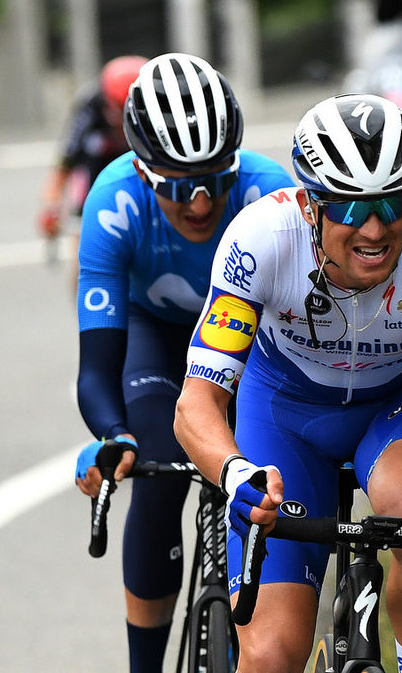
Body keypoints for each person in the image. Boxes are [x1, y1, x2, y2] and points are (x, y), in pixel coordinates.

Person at [173, 93, 402, 673]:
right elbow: (197, 402)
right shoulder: (261, 240)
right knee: (272, 656)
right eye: (349, 209)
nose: (374, 229)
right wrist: (234, 471)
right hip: (286, 412)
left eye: (392, 202)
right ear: (309, 205)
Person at [71, 52, 295, 673]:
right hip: (155, 336)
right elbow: (96, 368)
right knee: (158, 472)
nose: (199, 204)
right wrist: (113, 437)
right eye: (176, 185)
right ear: (143, 172)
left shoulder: (269, 192)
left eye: (214, 179)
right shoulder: (113, 202)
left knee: (268, 473)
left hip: (251, 340)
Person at [38, 54, 147, 293]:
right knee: (84, 255)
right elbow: (64, 164)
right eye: (116, 109)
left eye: (128, 111)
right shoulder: (90, 105)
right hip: (95, 174)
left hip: (142, 173)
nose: (121, 120)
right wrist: (52, 207)